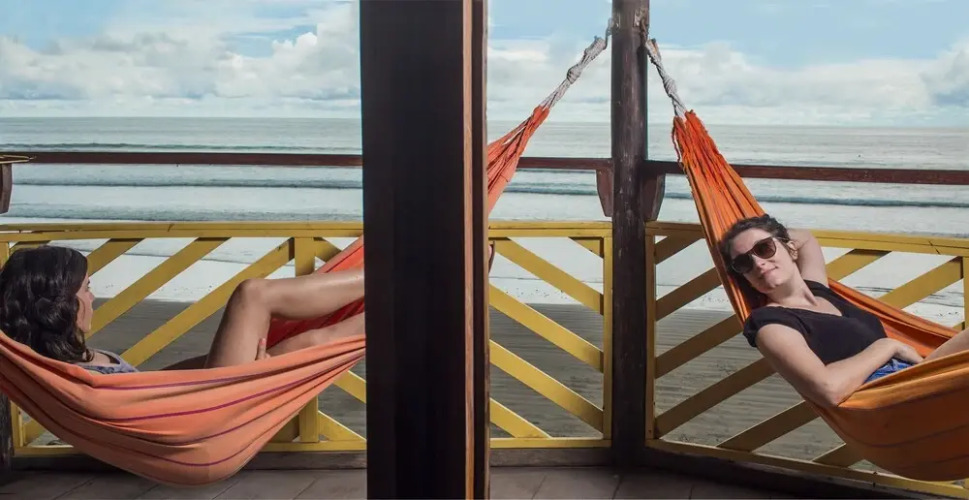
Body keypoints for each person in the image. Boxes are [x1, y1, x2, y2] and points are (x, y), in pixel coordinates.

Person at [720, 214, 969, 408]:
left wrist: (773, 236)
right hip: (889, 396)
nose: (758, 263)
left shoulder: (818, 290)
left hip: (914, 376)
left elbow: (806, 238)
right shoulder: (771, 324)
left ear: (791, 248)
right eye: (743, 262)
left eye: (764, 249)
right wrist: (888, 347)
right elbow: (828, 389)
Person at [0, 245, 365, 374]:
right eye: (87, 288)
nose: (93, 298)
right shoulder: (70, 379)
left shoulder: (64, 366)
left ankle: (391, 288)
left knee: (302, 344)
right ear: (62, 303)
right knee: (252, 295)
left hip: (197, 400)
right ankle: (389, 274)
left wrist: (217, 361)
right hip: (211, 417)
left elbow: (145, 389)